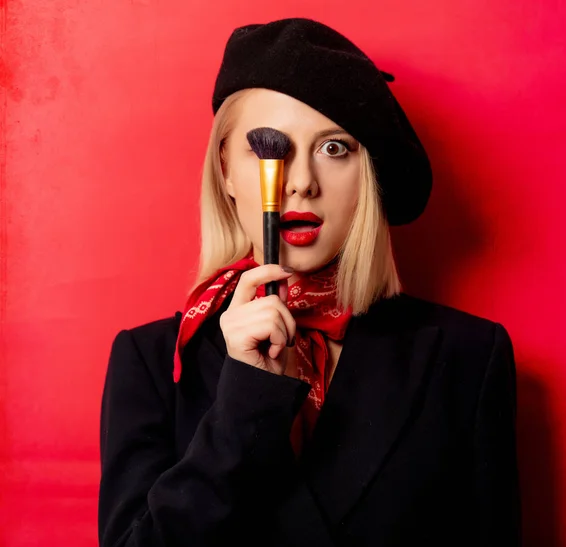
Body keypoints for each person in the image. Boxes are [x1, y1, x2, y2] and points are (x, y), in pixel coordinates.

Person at [98, 17, 521, 547]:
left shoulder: (467, 357)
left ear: (368, 174)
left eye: (334, 148)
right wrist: (245, 399)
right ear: (226, 170)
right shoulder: (153, 362)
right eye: (269, 147)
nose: (300, 181)